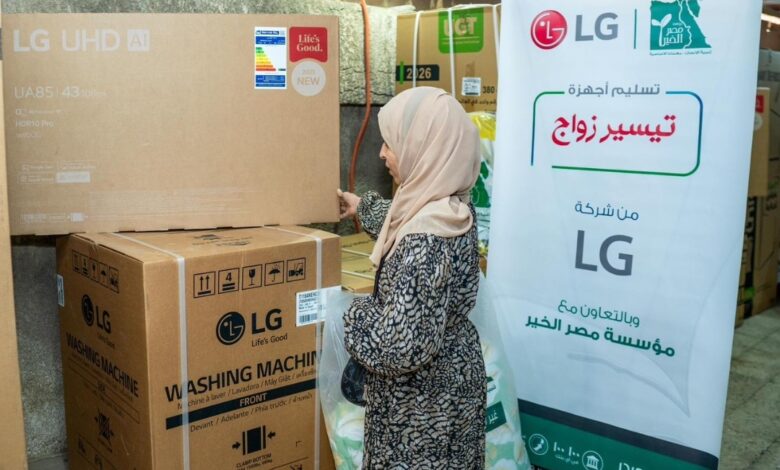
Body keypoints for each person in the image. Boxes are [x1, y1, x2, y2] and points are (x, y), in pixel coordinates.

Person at [337, 86, 486, 469]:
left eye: (391, 143)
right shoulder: (452, 206)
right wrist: (363, 207)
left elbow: (399, 348)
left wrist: (353, 314)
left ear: (425, 148)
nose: (382, 153)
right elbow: (407, 220)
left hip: (421, 410)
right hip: (453, 383)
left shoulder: (426, 241)